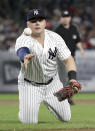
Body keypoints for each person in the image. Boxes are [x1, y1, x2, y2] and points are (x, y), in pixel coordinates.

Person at [15, 9, 78, 124]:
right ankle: (24, 111)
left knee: (66, 118)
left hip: (53, 84)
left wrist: (72, 78)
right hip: (30, 85)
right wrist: (24, 56)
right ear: (27, 24)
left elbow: (68, 59)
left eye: (40, 20)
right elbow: (21, 50)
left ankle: (50, 103)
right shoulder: (23, 38)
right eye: (33, 21)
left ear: (45, 22)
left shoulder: (55, 38)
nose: (37, 23)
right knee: (28, 121)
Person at [55, 9, 85, 105]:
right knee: (63, 79)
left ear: (70, 18)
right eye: (64, 17)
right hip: (61, 59)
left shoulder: (73, 29)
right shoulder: (58, 30)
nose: (66, 19)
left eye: (67, 17)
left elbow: (78, 41)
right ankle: (63, 98)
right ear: (61, 19)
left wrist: (81, 49)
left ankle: (68, 98)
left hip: (72, 58)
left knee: (71, 79)